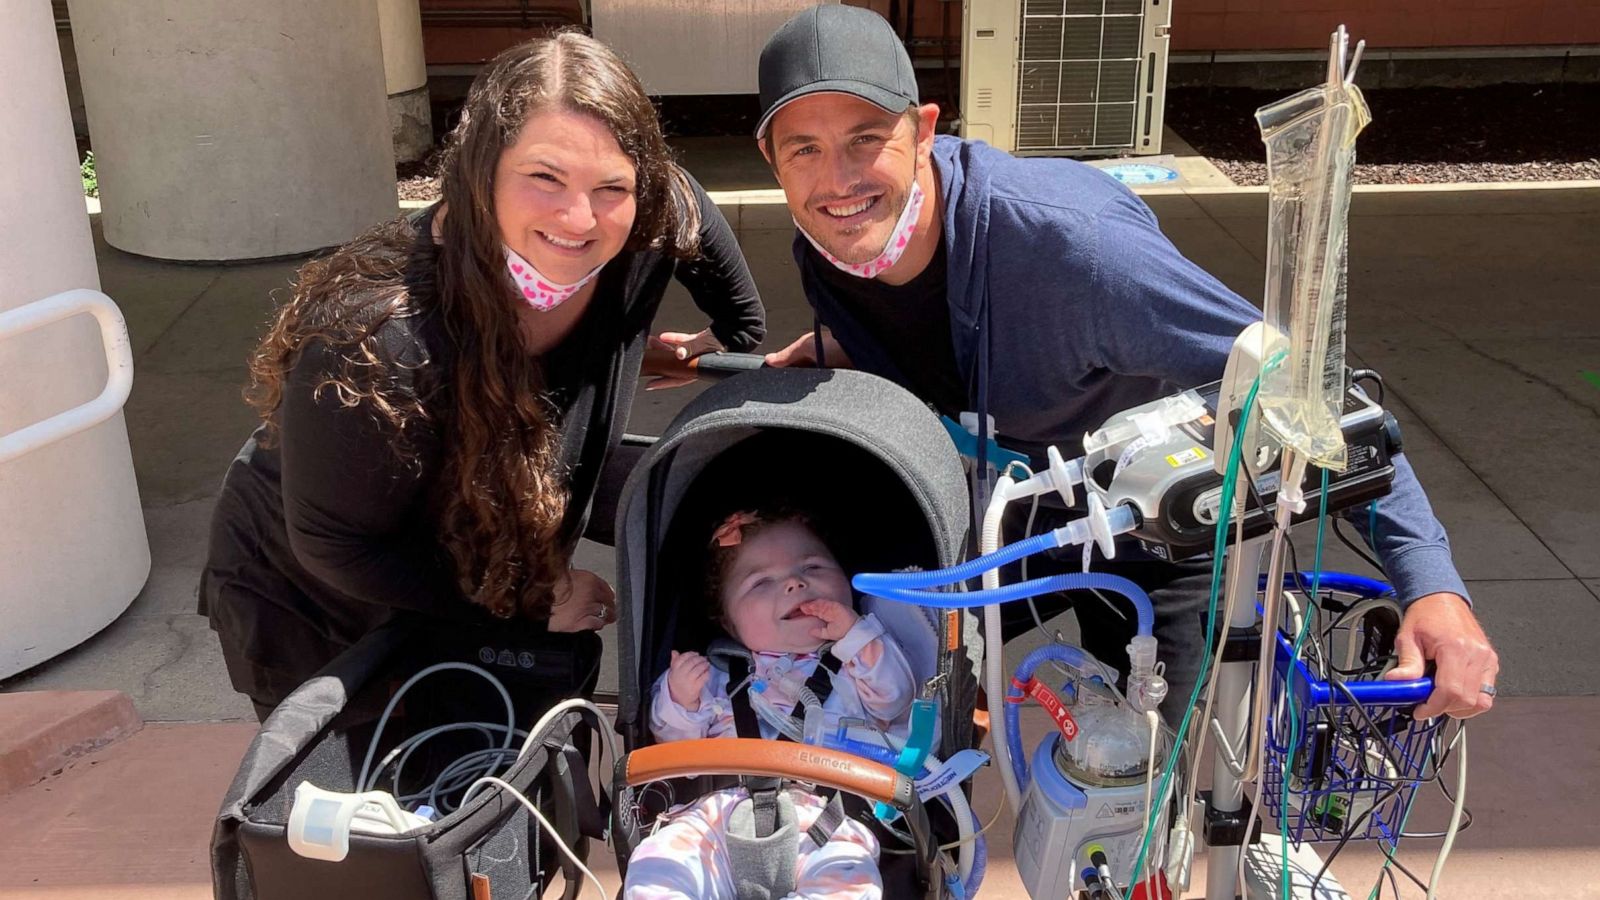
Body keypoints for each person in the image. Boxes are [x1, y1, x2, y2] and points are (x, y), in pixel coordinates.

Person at [753, 4, 1496, 723]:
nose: (838, 180)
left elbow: (1302, 394)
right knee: (859, 677)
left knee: (1157, 785)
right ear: (774, 161)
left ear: (921, 132)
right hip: (1014, 507)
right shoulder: (829, 244)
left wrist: (1432, 588)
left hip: (1161, 525)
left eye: (864, 139)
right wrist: (841, 353)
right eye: (805, 150)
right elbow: (923, 324)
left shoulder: (1080, 256)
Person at [199, 31, 765, 721]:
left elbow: (694, 218)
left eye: (610, 185)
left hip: (487, 542)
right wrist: (532, 595)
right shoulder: (381, 340)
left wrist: (729, 336)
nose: (580, 217)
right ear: (479, 172)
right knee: (374, 808)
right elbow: (334, 546)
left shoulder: (642, 225)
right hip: (326, 589)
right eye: (544, 177)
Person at [624, 508, 915, 900]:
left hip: (827, 816)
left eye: (812, 566)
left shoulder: (857, 663)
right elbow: (677, 745)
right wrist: (679, 698)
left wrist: (855, 636)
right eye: (761, 583)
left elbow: (895, 698)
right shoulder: (718, 674)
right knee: (659, 865)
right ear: (729, 622)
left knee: (847, 883)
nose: (795, 583)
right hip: (716, 815)